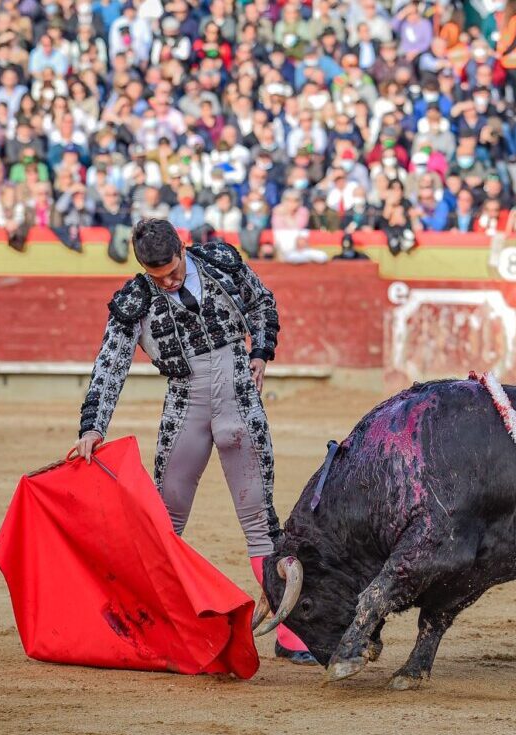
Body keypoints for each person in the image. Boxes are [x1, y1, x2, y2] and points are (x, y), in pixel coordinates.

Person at [71, 218, 315, 665]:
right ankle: (157, 626)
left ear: (183, 248)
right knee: (165, 521)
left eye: (173, 271)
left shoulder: (220, 261)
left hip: (240, 395)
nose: (168, 282)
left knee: (260, 520)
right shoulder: (135, 300)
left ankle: (294, 633)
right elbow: (110, 364)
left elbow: (262, 302)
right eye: (157, 276)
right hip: (184, 406)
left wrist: (261, 351)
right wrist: (93, 425)